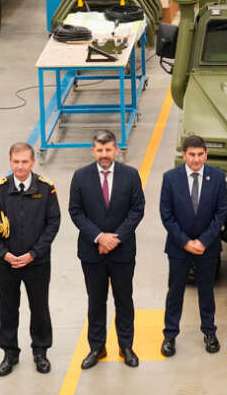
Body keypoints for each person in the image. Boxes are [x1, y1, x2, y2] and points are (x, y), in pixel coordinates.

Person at [0, 143, 60, 377]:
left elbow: (53, 223)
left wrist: (33, 253)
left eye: (25, 162)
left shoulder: (46, 189)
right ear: (10, 161)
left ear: (33, 162)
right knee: (7, 308)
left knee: (39, 307)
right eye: (16, 162)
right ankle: (10, 353)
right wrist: (3, 253)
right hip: (7, 263)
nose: (20, 166)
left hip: (37, 263)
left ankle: (40, 351)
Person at [68, 131, 145, 370]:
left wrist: (116, 238)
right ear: (93, 151)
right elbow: (75, 211)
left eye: (108, 150)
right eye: (100, 150)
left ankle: (126, 346)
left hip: (122, 252)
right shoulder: (80, 177)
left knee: (124, 300)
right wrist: (99, 237)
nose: (104, 155)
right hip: (92, 252)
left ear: (116, 149)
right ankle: (97, 347)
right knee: (96, 300)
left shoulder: (130, 175)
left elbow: (137, 209)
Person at [159, 135, 227, 356]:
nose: (196, 159)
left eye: (200, 155)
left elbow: (221, 213)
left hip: (207, 248)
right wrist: (186, 242)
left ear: (206, 154)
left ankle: (209, 332)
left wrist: (203, 241)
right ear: (184, 155)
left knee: (206, 292)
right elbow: (166, 215)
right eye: (192, 155)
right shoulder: (170, 178)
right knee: (175, 291)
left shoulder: (217, 177)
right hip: (179, 248)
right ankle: (170, 335)